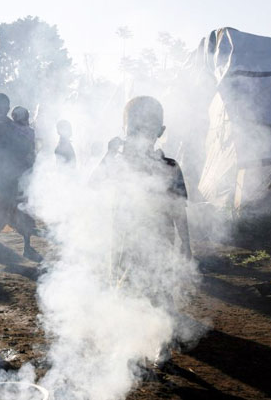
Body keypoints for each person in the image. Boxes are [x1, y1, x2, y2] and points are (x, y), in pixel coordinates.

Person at [91, 96, 192, 365]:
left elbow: (179, 210)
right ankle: (130, 344)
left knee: (159, 291)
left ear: (160, 132)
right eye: (135, 129)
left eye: (148, 130)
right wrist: (108, 155)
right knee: (124, 290)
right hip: (123, 241)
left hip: (159, 241)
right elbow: (93, 186)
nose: (141, 136)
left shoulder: (170, 167)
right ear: (124, 130)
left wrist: (186, 246)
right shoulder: (118, 163)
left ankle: (161, 344)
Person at [0, 97, 42, 262]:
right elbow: (1, 140)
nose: (3, 110)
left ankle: (27, 245)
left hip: (13, 176)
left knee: (21, 209)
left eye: (6, 107)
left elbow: (23, 144)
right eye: (0, 107)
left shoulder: (10, 125)